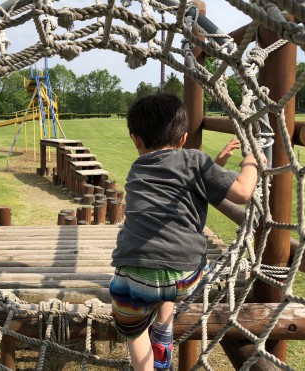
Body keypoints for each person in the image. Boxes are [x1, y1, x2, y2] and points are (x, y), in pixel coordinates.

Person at [109, 93, 262, 371]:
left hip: (137, 273)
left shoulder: (137, 170)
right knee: (167, 278)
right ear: (183, 139)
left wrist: (218, 165)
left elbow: (181, 182)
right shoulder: (195, 160)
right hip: (188, 276)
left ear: (135, 140)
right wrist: (252, 159)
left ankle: (147, 357)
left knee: (132, 327)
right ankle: (164, 329)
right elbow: (242, 191)